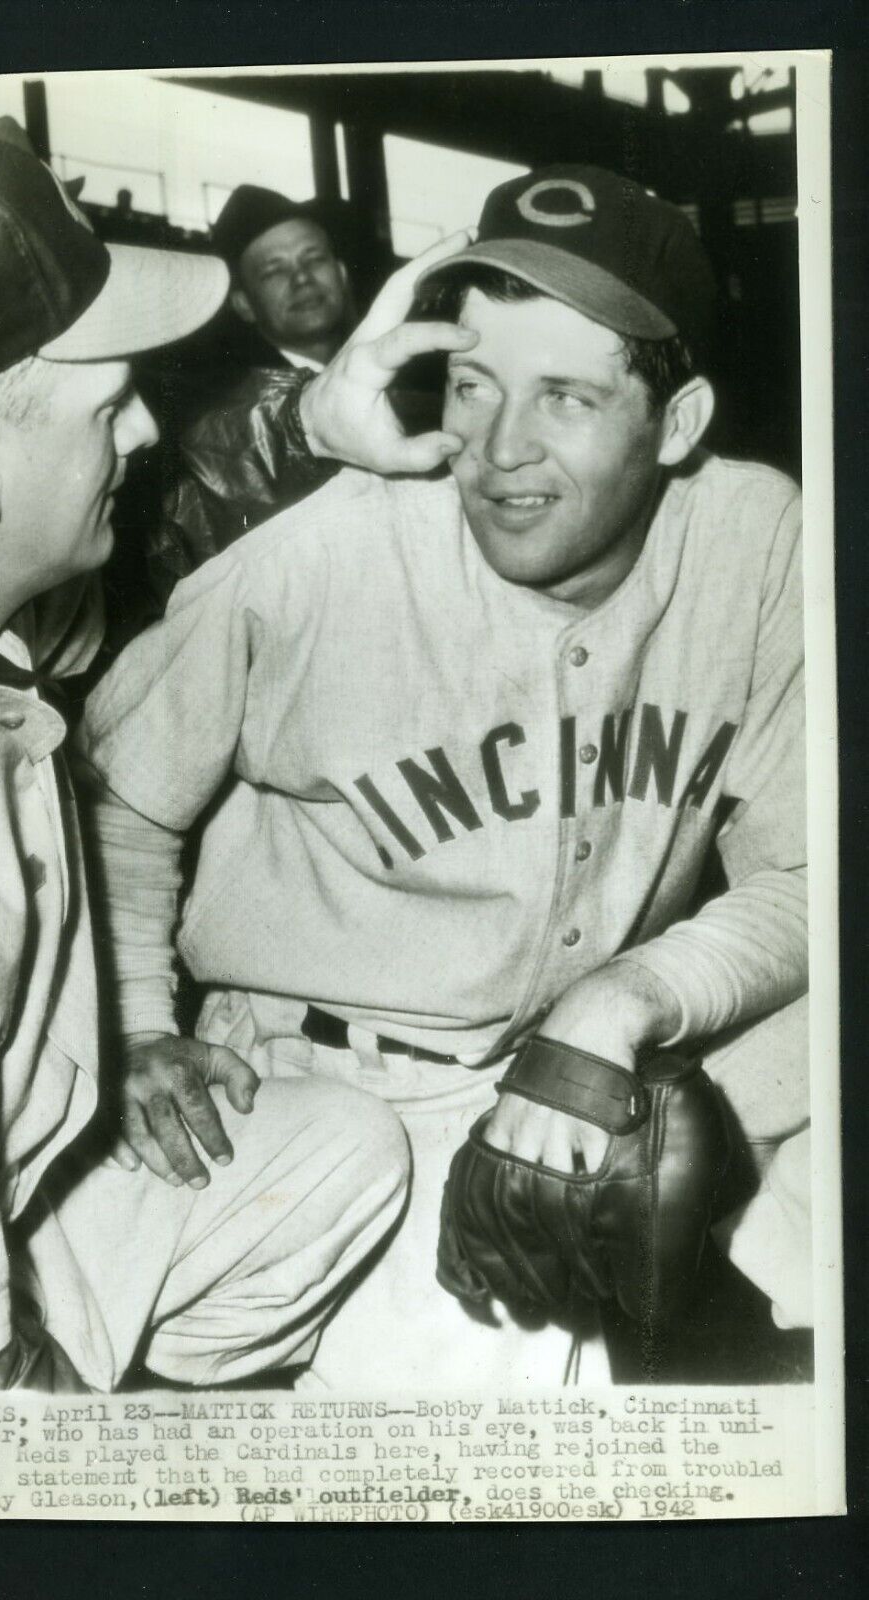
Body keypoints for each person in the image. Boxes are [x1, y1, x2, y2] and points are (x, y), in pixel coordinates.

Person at [81, 164, 809, 1388]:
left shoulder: (752, 535)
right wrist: (138, 1027)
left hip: (565, 1054)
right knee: (491, 1478)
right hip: (317, 1084)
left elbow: (805, 868)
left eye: (565, 396)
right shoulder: (323, 557)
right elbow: (117, 804)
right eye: (473, 384)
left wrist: (617, 1002)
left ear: (676, 426)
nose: (498, 448)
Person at [0, 128, 416, 1400]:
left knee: (338, 1147)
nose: (149, 428)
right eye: (112, 405)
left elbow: (164, 570)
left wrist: (319, 434)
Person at [148, 185, 356, 598]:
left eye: (314, 258)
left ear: (343, 274)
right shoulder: (224, 419)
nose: (301, 278)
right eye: (274, 270)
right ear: (243, 304)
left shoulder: (410, 388)